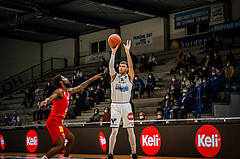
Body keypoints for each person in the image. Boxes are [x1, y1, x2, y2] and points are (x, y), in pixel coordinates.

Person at [39, 73, 101, 159]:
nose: (66, 78)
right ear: (61, 82)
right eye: (64, 78)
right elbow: (51, 97)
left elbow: (80, 87)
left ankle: (65, 158)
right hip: (53, 122)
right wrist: (46, 101)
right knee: (60, 145)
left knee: (71, 139)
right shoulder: (59, 91)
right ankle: (44, 158)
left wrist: (91, 79)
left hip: (59, 123)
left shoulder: (67, 91)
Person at [108, 40, 137, 159]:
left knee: (130, 130)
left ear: (126, 68)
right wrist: (113, 54)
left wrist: (127, 52)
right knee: (114, 131)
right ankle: (110, 153)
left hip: (126, 105)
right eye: (120, 66)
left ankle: (134, 153)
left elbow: (131, 65)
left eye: (123, 66)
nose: (121, 67)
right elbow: (110, 67)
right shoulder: (114, 76)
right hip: (115, 106)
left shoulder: (130, 77)